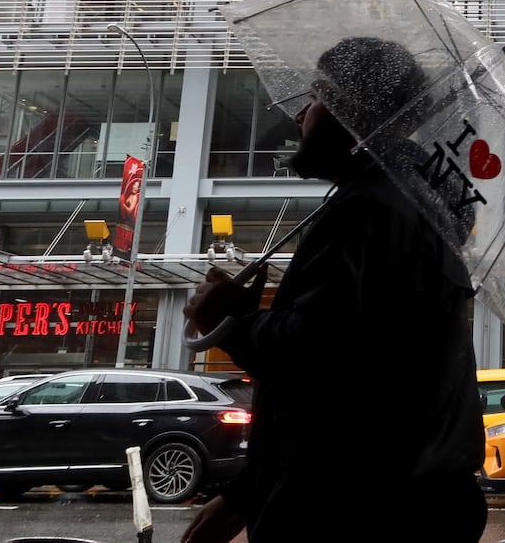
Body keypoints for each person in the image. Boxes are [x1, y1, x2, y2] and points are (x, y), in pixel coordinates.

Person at [181, 37, 485, 543]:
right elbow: (355, 401)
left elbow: (322, 356)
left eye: (318, 96)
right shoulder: (412, 204)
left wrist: (231, 321)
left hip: (350, 515)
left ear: (354, 112)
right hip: (399, 504)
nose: (302, 113)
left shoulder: (373, 211)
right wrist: (250, 491)